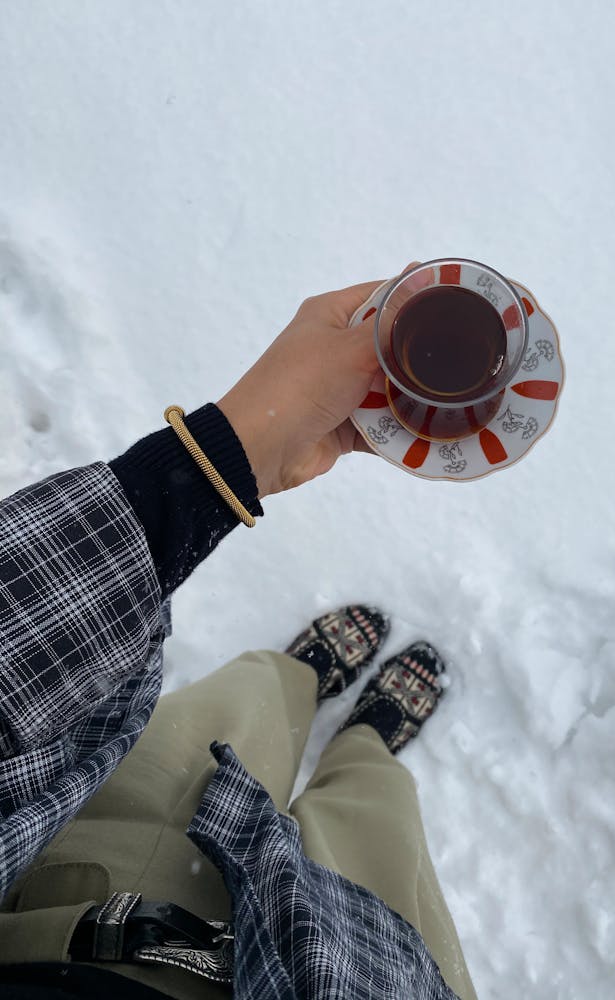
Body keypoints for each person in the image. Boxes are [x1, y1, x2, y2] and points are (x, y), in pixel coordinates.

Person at [0, 272, 478, 1000]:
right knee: (378, 825)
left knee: (223, 723)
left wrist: (218, 461)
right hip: (374, 967)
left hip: (89, 902)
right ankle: (367, 744)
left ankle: (299, 679)